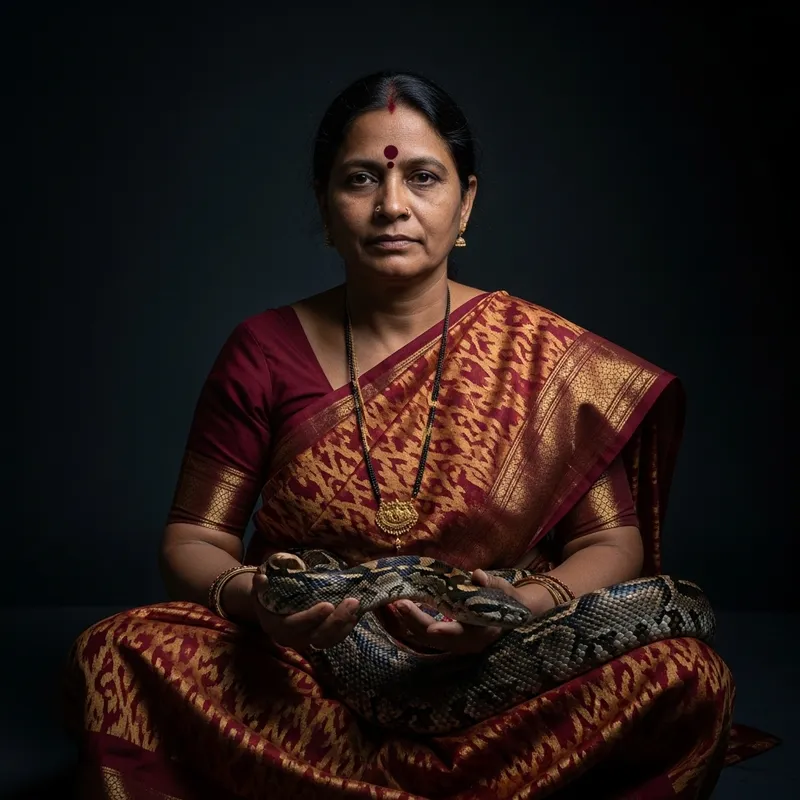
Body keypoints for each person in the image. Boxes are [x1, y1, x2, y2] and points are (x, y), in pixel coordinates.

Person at [66, 70, 776, 799]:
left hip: (508, 666)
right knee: (117, 653)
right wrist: (263, 606)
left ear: (466, 200)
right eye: (361, 180)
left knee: (687, 676)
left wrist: (519, 611)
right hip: (304, 671)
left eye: (425, 178)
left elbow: (612, 543)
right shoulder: (262, 349)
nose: (393, 206)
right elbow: (193, 540)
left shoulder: (541, 355)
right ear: (324, 204)